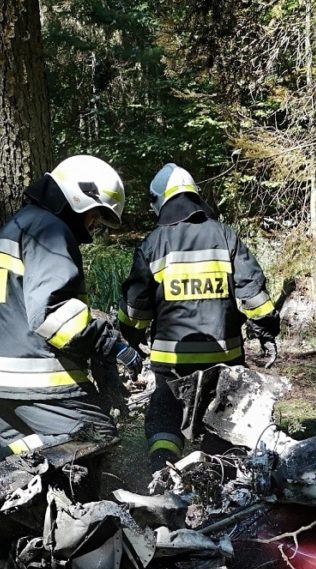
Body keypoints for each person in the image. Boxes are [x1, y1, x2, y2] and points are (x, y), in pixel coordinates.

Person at [0, 154, 142, 465]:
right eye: (95, 214)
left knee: (30, 468)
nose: (94, 225)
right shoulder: (50, 229)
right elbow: (54, 316)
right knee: (96, 437)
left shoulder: (17, 226)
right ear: (79, 197)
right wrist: (111, 344)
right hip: (38, 381)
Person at [117, 163, 280, 471]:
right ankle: (217, 476)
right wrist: (266, 331)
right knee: (222, 421)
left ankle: (163, 473)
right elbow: (253, 293)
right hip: (224, 357)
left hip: (171, 362)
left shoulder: (153, 243)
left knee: (165, 418)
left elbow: (136, 307)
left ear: (160, 201)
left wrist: (132, 337)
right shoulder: (225, 236)